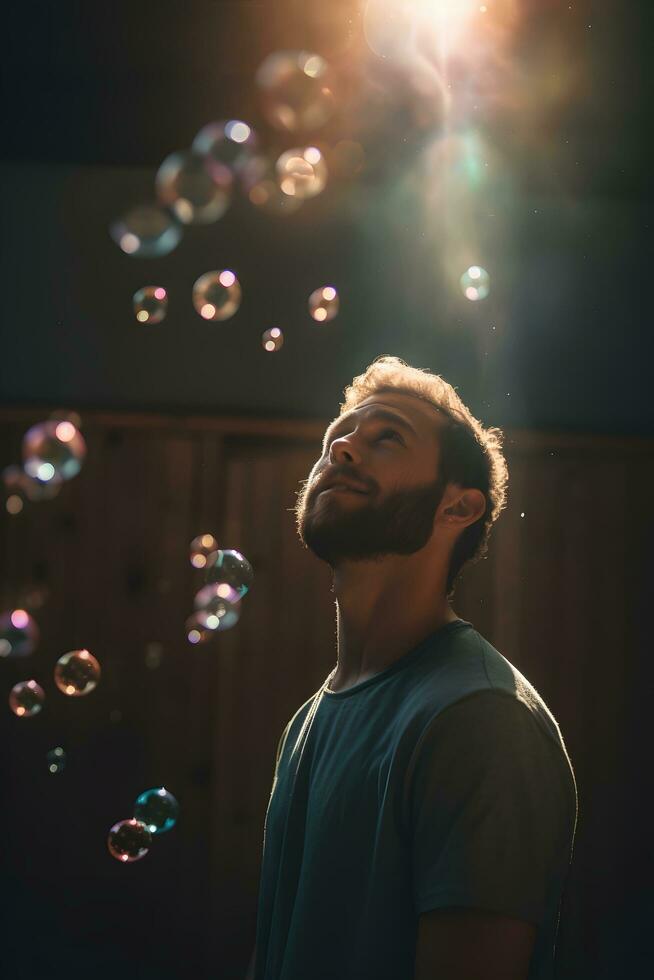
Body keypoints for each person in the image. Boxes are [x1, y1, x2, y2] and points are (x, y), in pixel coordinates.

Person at [248, 356, 577, 980]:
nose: (341, 448)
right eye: (335, 439)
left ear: (458, 507)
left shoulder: (481, 717)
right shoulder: (307, 723)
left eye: (386, 437)